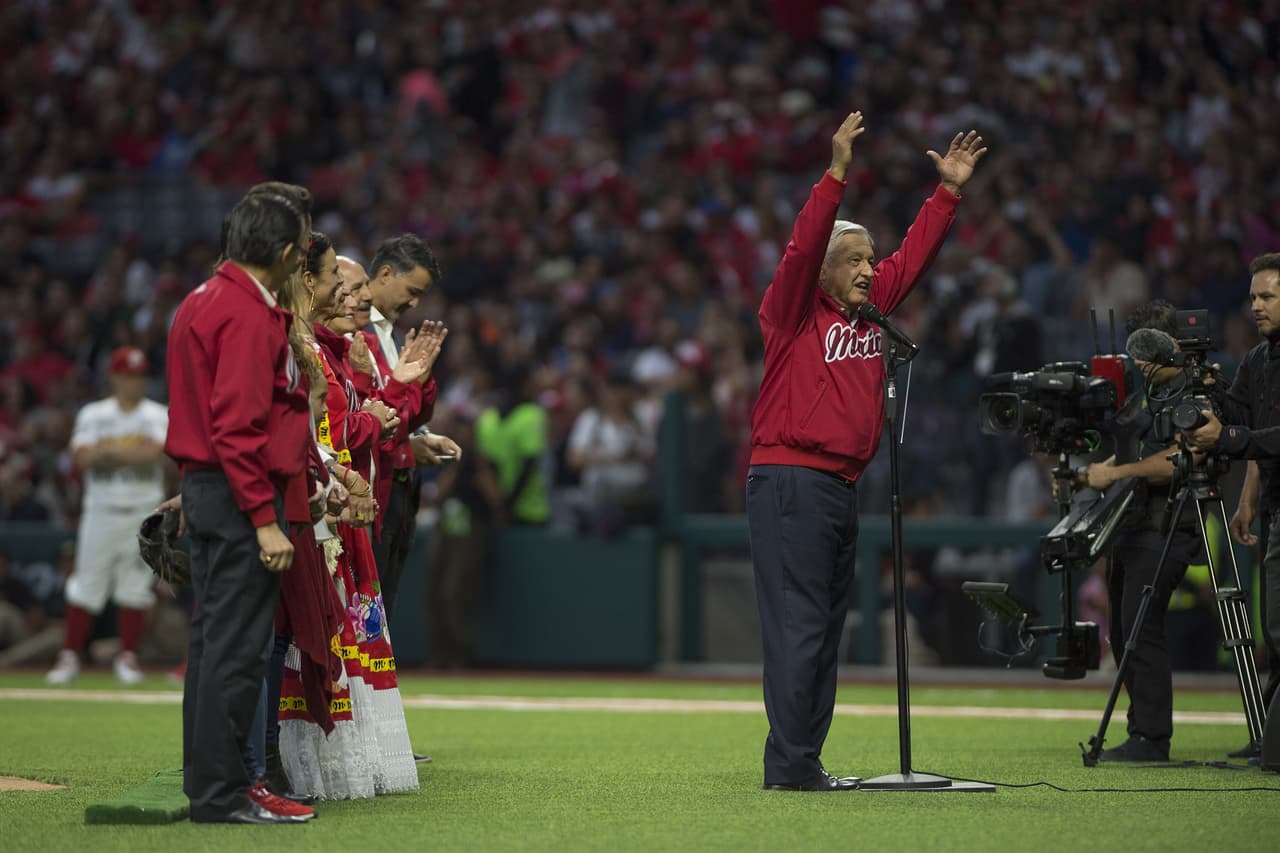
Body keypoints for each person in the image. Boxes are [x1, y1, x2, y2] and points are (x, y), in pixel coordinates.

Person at [745, 112, 985, 791]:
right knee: (799, 629)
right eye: (852, 259)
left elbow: (913, 256)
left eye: (868, 258)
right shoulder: (791, 310)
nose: (868, 268)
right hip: (790, 481)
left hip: (841, 487)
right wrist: (835, 176)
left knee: (822, 633)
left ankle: (801, 760)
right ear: (823, 269)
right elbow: (801, 250)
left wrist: (946, 194)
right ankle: (790, 765)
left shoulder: (870, 307)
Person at [165, 185, 317, 824]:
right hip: (237, 494)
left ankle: (208, 788)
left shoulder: (198, 301)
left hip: (206, 489)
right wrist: (262, 518)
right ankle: (224, 794)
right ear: (283, 252)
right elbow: (235, 427)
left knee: (209, 650)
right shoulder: (249, 315)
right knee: (235, 653)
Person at [1077, 300, 1201, 761]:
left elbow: (1178, 461)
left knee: (1142, 630)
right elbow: (1133, 450)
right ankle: (1141, 729)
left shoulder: (1192, 391)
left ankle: (1151, 737)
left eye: (1147, 352)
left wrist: (1116, 475)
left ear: (1170, 345)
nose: (1140, 364)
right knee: (1125, 628)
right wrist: (1099, 470)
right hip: (1134, 526)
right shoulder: (1148, 394)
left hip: (1167, 525)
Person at [1186, 252, 1280, 759]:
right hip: (1273, 507)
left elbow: (1256, 436)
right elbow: (1240, 419)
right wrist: (1207, 402)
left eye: (1267, 296)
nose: (1257, 306)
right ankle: (1271, 738)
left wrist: (1229, 435)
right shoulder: (1258, 360)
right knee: (1274, 627)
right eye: (1253, 297)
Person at [46, 346, 167, 686]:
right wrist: (132, 450)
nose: (134, 382)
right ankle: (68, 656)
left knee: (135, 587)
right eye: (128, 375)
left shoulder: (156, 413)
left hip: (144, 511)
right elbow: (83, 458)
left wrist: (108, 450)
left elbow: (154, 452)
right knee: (87, 584)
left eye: (140, 375)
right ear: (114, 377)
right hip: (100, 510)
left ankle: (127, 657)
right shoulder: (94, 413)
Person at [359, 237, 452, 624]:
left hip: (398, 489)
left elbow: (402, 413)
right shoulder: (352, 332)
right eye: (412, 291)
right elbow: (360, 415)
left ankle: (372, 686)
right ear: (384, 274)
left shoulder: (393, 336)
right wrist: (404, 450)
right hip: (366, 487)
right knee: (360, 615)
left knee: (381, 612)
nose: (415, 303)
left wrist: (417, 433)